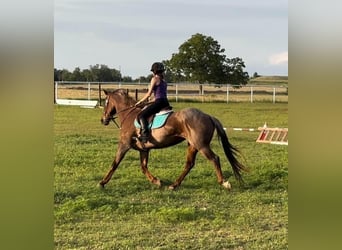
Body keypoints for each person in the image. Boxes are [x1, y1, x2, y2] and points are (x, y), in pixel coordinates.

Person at [135, 62, 170, 143]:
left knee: (141, 115)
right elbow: (157, 97)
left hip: (159, 103)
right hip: (165, 102)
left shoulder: (154, 79)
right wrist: (146, 103)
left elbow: (149, 94)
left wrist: (139, 102)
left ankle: (144, 136)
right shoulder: (164, 81)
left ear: (154, 71)